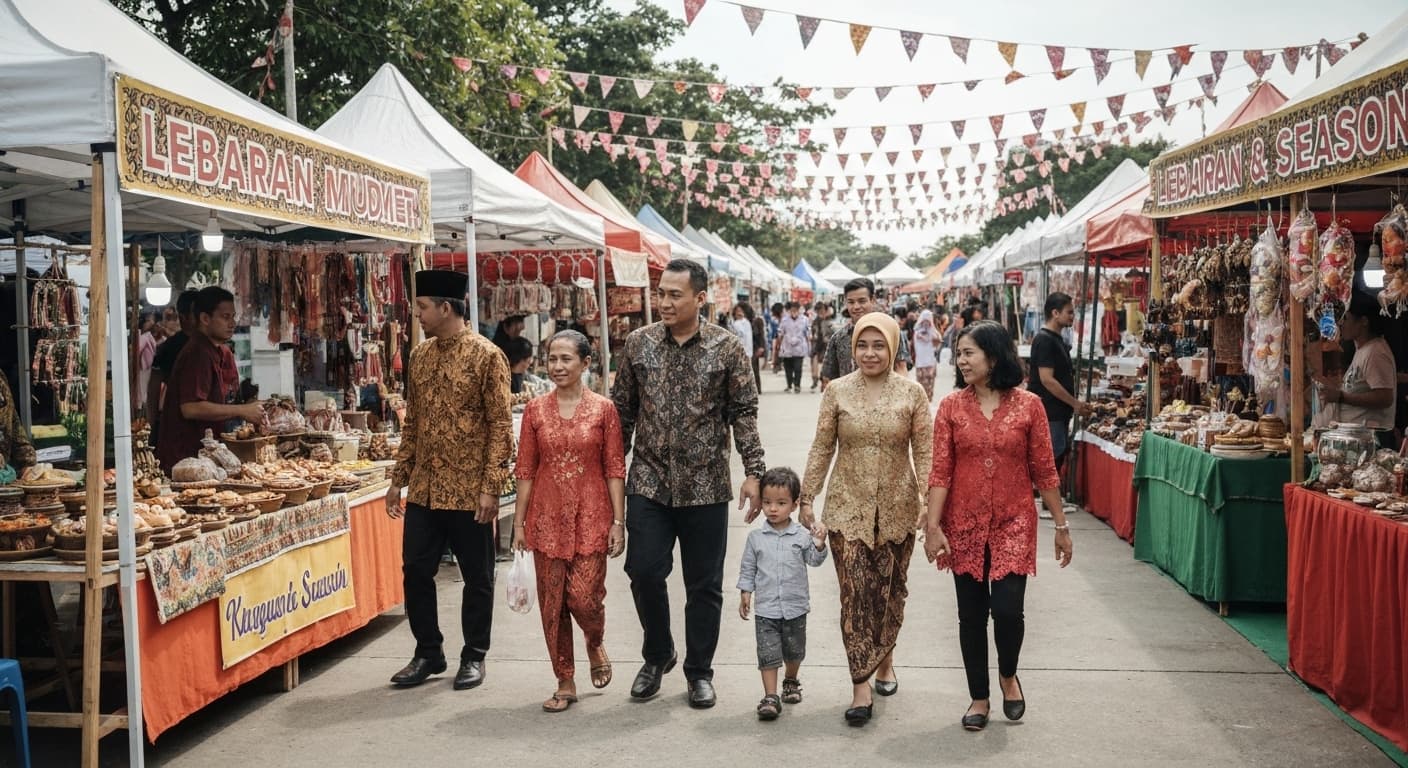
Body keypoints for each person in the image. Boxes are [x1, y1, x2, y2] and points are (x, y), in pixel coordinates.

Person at [612, 258, 765, 710]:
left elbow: (743, 413)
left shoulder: (727, 347)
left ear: (701, 298)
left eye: (675, 294)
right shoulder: (638, 344)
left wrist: (754, 471)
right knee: (642, 571)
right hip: (649, 481)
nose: (664, 302)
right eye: (661, 293)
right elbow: (621, 413)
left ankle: (700, 671)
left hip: (705, 484)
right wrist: (609, 477)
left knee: (704, 585)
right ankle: (658, 654)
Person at [923, 320, 1074, 732]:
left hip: (1014, 521)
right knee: (970, 616)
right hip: (963, 524)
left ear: (993, 355)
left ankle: (1008, 674)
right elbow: (940, 472)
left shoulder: (1029, 406)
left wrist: (1061, 526)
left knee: (1007, 611)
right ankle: (979, 696)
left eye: (969, 352)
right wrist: (933, 526)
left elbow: (1045, 470)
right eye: (959, 353)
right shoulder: (952, 407)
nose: (961, 360)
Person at [801, 312, 931, 726]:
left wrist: (929, 502)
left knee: (889, 593)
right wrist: (807, 496)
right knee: (855, 595)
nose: (870, 353)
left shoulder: (912, 394)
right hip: (847, 507)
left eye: (878, 345)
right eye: (862, 345)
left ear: (893, 348)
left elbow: (925, 452)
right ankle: (860, 684)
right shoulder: (837, 391)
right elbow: (822, 445)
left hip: (897, 508)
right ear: (852, 348)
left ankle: (885, 661)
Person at [386, 270, 513, 691]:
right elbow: (413, 423)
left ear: (446, 307)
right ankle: (428, 652)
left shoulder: (488, 356)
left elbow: (500, 426)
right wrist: (397, 479)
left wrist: (491, 486)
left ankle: (474, 655)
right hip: (424, 486)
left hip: (469, 491)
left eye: (422, 307)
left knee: (477, 576)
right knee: (415, 571)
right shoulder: (420, 357)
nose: (417, 315)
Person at [511, 330, 627, 712]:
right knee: (553, 604)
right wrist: (519, 524)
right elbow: (526, 468)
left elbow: (614, 467)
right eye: (552, 358)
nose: (558, 366)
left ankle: (594, 641)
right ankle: (565, 679)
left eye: (566, 359)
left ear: (586, 363)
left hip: (593, 516)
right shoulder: (534, 410)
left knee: (583, 598)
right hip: (546, 518)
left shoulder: (604, 410)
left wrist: (618, 522)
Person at [737, 467, 828, 721]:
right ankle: (770, 696)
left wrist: (819, 544)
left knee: (794, 651)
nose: (773, 509)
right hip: (766, 608)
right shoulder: (756, 538)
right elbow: (748, 567)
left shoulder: (801, 536)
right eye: (767, 502)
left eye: (780, 503)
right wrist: (746, 591)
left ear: (795, 504)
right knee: (767, 653)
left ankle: (791, 679)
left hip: (795, 607)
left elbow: (814, 560)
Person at [156, 287, 263, 473]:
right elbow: (190, 408)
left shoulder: (221, 351)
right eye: (225, 317)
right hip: (186, 459)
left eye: (233, 317)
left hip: (209, 456)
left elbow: (228, 397)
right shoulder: (197, 353)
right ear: (205, 319)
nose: (232, 323)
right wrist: (242, 410)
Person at [1028, 293, 1094, 513]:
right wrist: (1075, 403)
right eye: (1069, 312)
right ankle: (1049, 500)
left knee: (1057, 451)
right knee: (1053, 453)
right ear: (1055, 313)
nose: (1072, 316)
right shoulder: (1045, 340)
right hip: (1050, 409)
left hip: (1057, 410)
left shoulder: (1056, 339)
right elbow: (1047, 379)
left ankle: (1050, 498)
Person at [1318, 292, 1397, 441]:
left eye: (1346, 318)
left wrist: (1341, 397)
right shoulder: (1363, 350)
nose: (1341, 323)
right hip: (1358, 438)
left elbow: (1385, 398)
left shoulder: (1375, 352)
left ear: (1363, 321)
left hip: (1371, 440)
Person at [147, 289, 199, 440]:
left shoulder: (212, 346)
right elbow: (153, 388)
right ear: (183, 317)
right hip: (175, 421)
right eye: (197, 314)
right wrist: (152, 425)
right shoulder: (169, 347)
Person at [819, 278, 880, 390]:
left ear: (873, 300)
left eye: (862, 301)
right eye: (851, 302)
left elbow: (901, 368)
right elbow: (828, 378)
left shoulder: (891, 333)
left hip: (883, 403)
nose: (856, 307)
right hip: (847, 404)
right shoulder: (838, 338)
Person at [777, 302, 811, 393]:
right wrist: (778, 345)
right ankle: (789, 384)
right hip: (787, 347)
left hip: (799, 347)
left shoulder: (805, 320)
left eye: (796, 310)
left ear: (799, 310)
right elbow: (780, 333)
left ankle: (797, 385)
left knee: (798, 367)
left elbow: (808, 333)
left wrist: (809, 345)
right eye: (792, 310)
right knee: (788, 368)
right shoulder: (784, 320)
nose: (794, 312)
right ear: (789, 310)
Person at [912, 309, 939, 401]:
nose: (926, 323)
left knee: (929, 384)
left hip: (930, 362)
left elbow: (937, 342)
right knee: (921, 385)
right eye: (924, 320)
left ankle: (928, 400)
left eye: (928, 320)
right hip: (920, 362)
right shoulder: (917, 331)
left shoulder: (933, 331)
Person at [809, 302, 834, 391]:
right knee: (814, 361)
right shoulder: (816, 321)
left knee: (825, 364)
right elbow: (814, 332)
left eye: (822, 310)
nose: (821, 313)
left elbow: (832, 332)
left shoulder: (830, 320)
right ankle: (815, 379)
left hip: (826, 344)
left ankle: (823, 382)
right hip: (817, 343)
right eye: (819, 311)